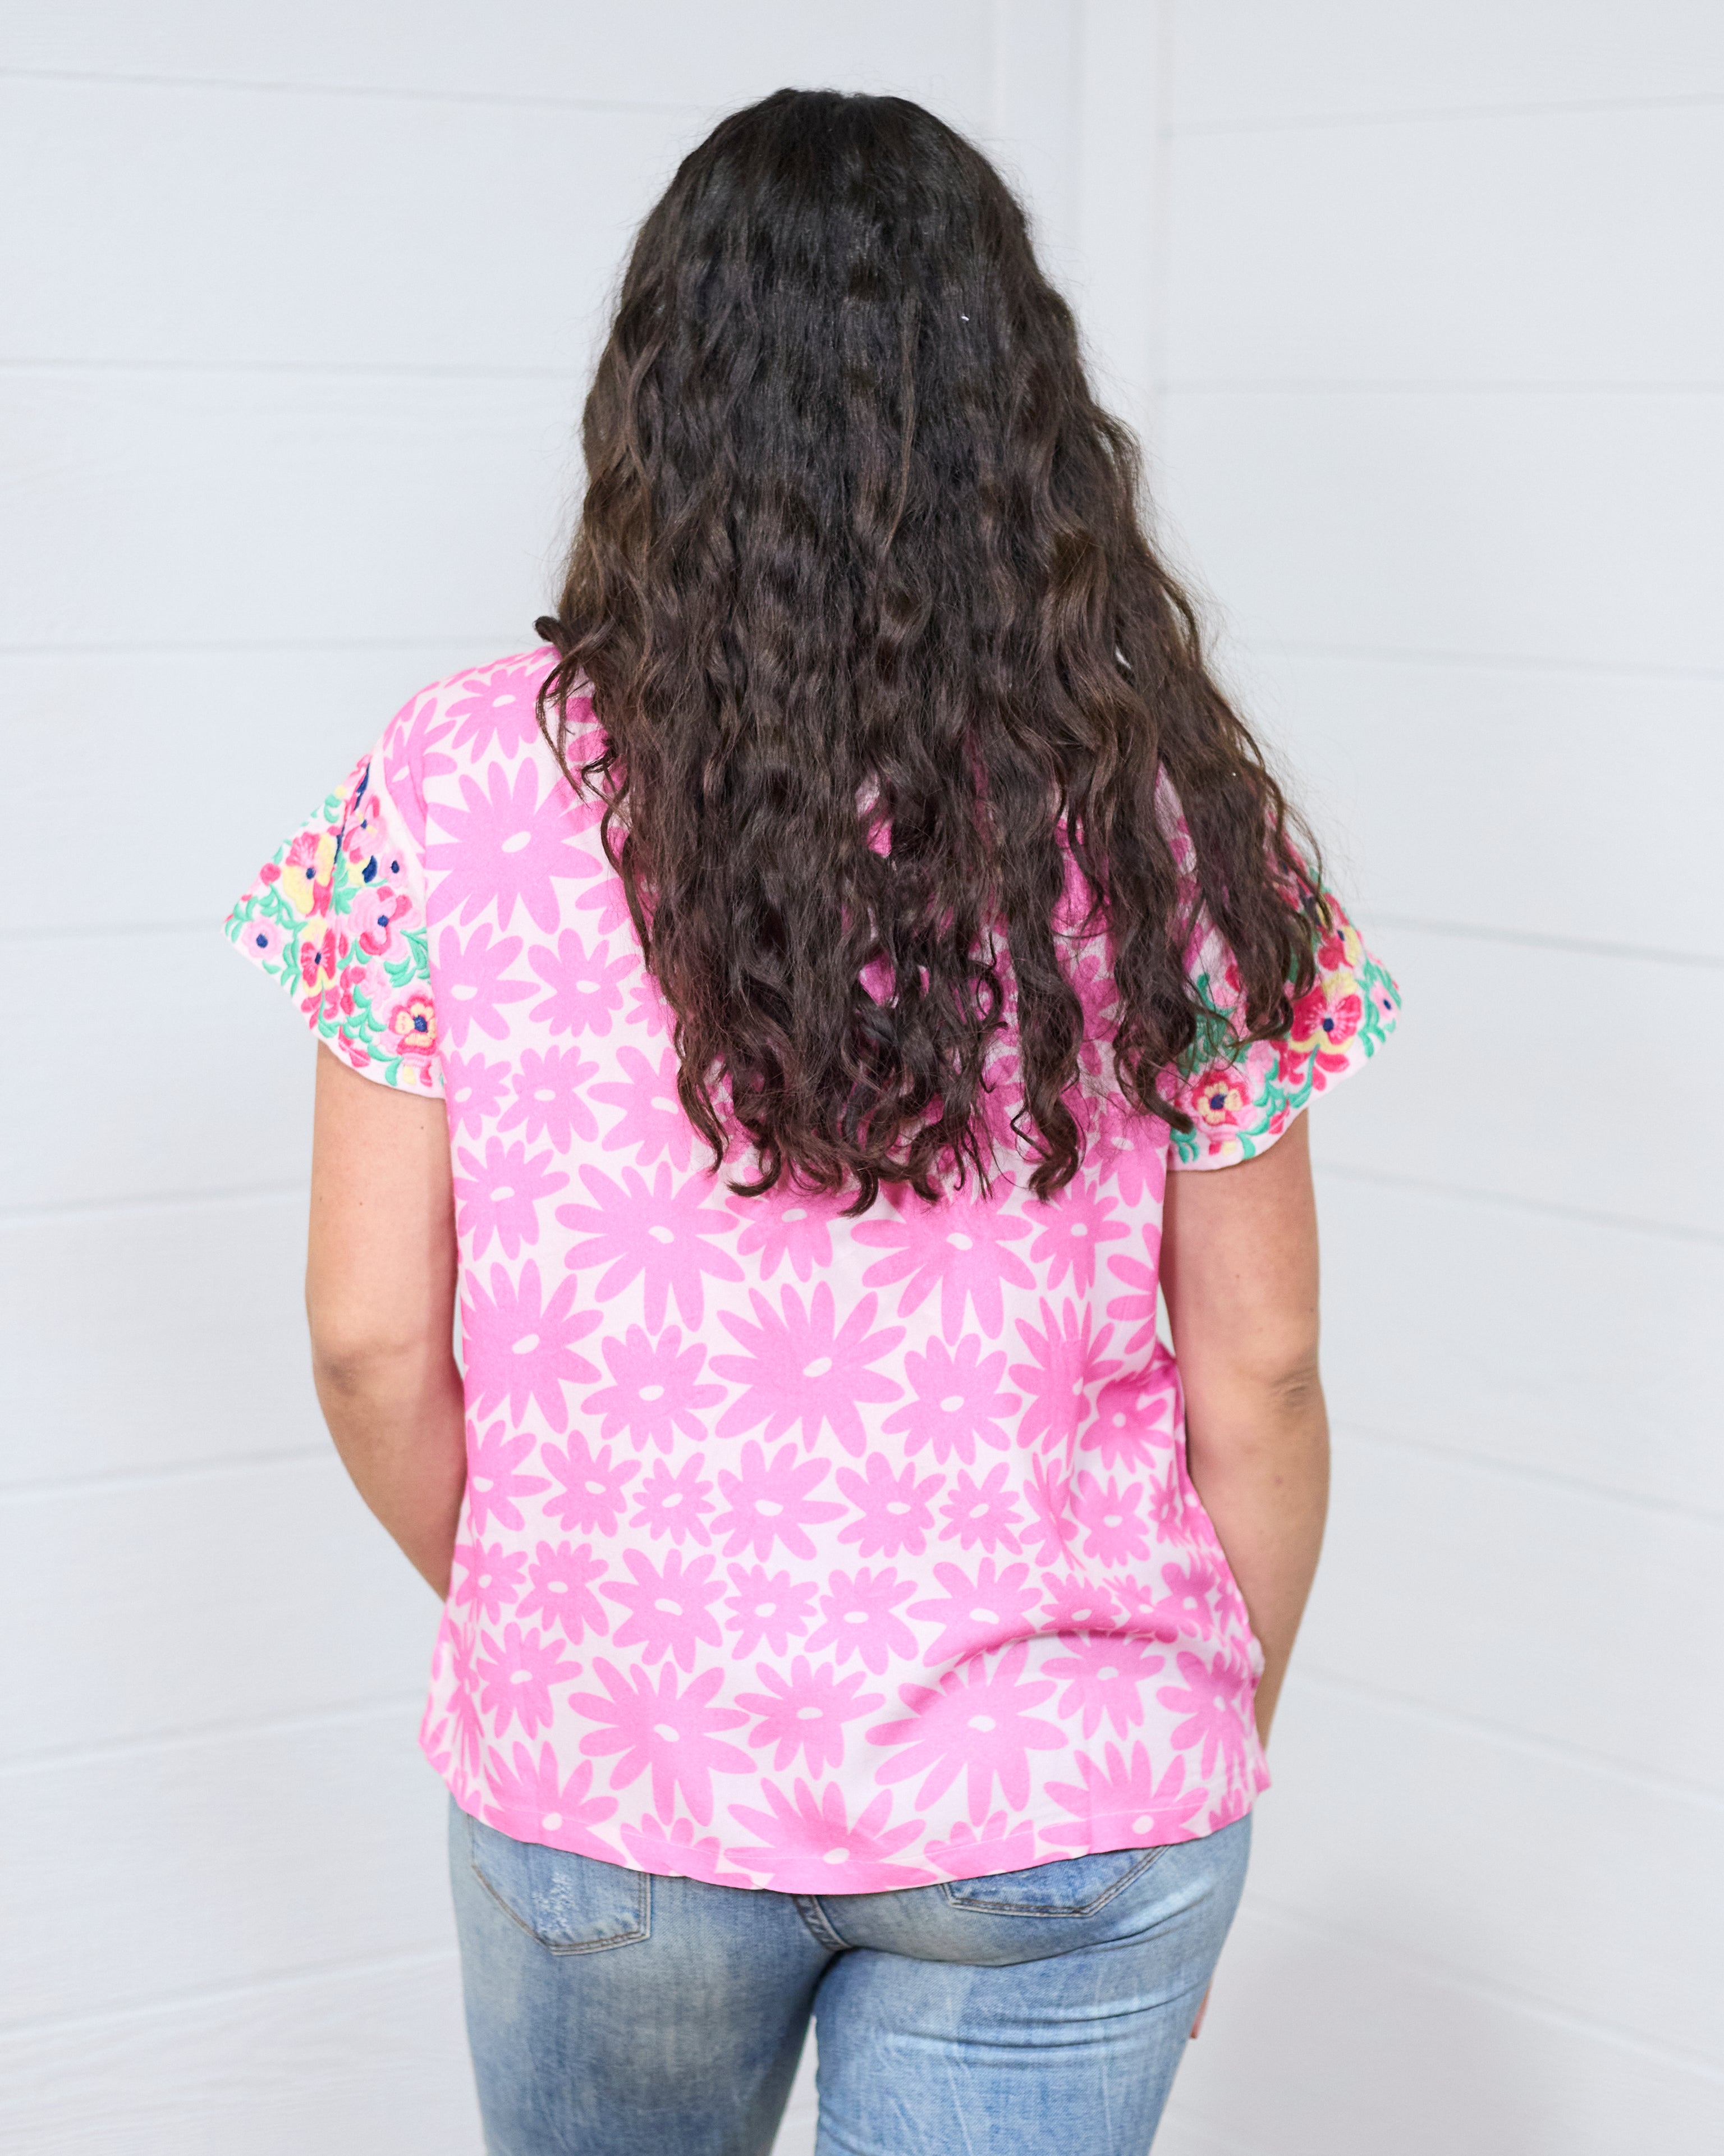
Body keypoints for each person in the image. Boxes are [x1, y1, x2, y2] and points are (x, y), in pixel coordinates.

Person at [227, 88, 1397, 2156]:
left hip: (616, 1769)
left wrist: (556, 1603)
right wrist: (1210, 1726)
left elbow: (368, 1338)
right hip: (1066, 1782)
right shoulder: (1172, 810)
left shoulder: (453, 788)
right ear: (1016, 420)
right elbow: (1270, 1368)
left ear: (657, 410)